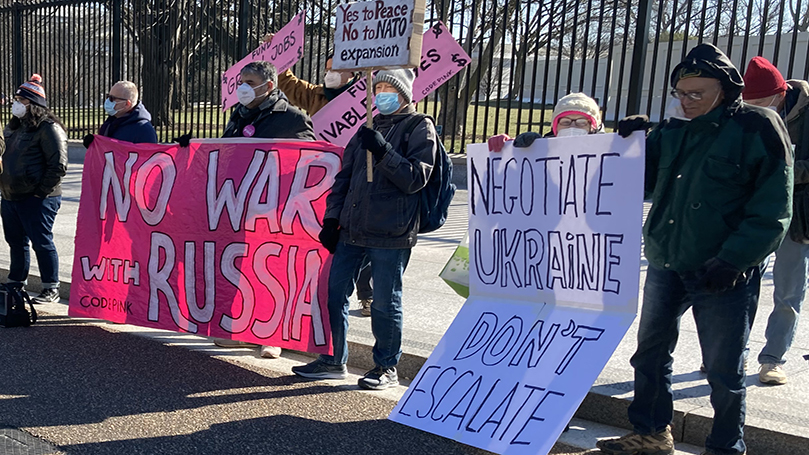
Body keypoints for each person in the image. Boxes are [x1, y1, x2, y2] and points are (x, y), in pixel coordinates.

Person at [596, 44, 792, 455]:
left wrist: (736, 259)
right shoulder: (671, 132)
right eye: (679, 94)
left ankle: (725, 446)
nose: (684, 102)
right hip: (668, 260)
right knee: (649, 355)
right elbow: (641, 183)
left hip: (723, 270)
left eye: (695, 94)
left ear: (726, 90)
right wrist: (628, 143)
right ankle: (651, 432)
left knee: (723, 369)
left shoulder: (758, 128)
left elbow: (774, 207)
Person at [292, 69, 437, 390]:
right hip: (351, 229)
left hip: (391, 232)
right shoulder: (364, 129)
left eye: (389, 88)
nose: (382, 94)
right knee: (334, 294)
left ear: (404, 93)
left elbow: (415, 177)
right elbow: (343, 178)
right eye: (378, 88)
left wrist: (384, 151)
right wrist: (332, 219)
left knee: (385, 302)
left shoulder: (418, 126)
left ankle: (386, 366)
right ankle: (333, 358)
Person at [210, 60, 315, 358]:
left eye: (249, 81)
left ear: (269, 86)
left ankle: (272, 336)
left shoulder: (292, 118)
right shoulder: (238, 116)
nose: (242, 87)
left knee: (272, 271)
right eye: (241, 80)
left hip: (274, 210)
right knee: (241, 269)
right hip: (238, 206)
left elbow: (308, 162)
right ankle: (242, 329)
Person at [264, 34, 374, 316]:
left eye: (337, 70)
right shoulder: (316, 95)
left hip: (358, 175)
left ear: (353, 75)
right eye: (327, 69)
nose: (331, 75)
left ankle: (366, 294)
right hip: (325, 178)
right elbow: (287, 82)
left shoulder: (368, 97)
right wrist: (277, 49)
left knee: (359, 236)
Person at [741, 56, 809, 385]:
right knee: (744, 283)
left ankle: (773, 359)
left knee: (789, 290)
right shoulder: (747, 115)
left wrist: (779, 170)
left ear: (779, 94)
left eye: (758, 103)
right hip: (758, 212)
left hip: (797, 218)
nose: (753, 110)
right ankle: (732, 353)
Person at [0, 74, 68, 304]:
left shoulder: (48, 128)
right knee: (16, 242)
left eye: (22, 100)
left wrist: (40, 192)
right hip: (10, 196)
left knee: (42, 241)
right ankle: (16, 281)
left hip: (38, 198)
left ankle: (51, 286)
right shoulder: (13, 128)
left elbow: (58, 164)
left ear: (34, 104)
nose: (16, 104)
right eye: (16, 98)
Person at [487, 92, 603, 152]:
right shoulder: (543, 151)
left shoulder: (610, 153)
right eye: (565, 122)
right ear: (555, 127)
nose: (572, 126)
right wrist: (507, 146)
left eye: (581, 122)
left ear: (593, 126)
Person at [84, 81, 157, 147]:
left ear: (127, 104)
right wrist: (93, 144)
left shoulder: (144, 130)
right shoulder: (112, 121)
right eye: (108, 97)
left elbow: (148, 158)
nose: (108, 101)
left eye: (112, 99)